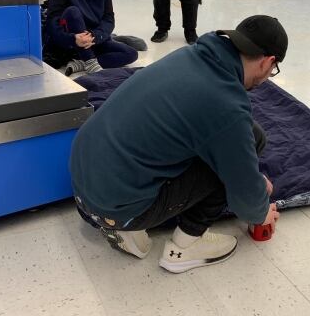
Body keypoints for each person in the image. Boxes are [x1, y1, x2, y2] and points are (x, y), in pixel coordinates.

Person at [70, 15, 287, 273]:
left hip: (83, 184)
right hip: (115, 207)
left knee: (247, 137)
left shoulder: (191, 56)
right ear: (268, 62)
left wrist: (250, 177)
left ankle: (126, 228)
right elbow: (246, 200)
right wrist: (260, 209)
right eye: (273, 71)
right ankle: (185, 246)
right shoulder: (227, 107)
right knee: (234, 159)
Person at [44, 0, 138, 76]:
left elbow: (109, 20)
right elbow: (52, 23)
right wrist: (73, 39)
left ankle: (82, 63)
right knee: (72, 11)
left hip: (93, 40)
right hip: (71, 44)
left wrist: (95, 35)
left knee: (131, 54)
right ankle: (89, 61)